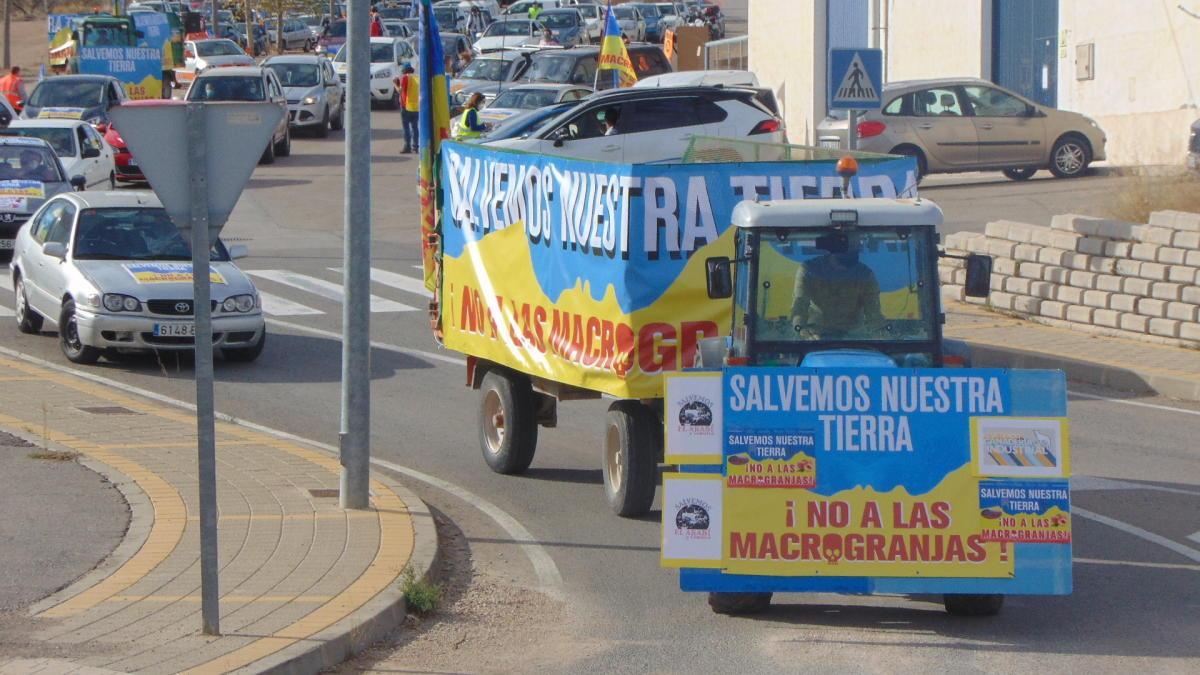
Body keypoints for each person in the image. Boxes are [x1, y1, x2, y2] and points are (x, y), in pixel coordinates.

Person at [790, 234, 884, 339]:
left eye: (851, 262)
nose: (845, 268)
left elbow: (873, 312)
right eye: (842, 261)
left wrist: (880, 334)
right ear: (831, 254)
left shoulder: (865, 275)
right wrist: (801, 329)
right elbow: (799, 305)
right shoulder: (809, 270)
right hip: (817, 333)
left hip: (853, 336)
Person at [394, 64, 420, 153]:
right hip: (415, 105)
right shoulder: (416, 77)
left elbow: (400, 90)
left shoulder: (405, 78)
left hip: (406, 105)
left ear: (404, 70)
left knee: (406, 127)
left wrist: (395, 84)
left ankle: (407, 146)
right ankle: (416, 146)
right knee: (415, 127)